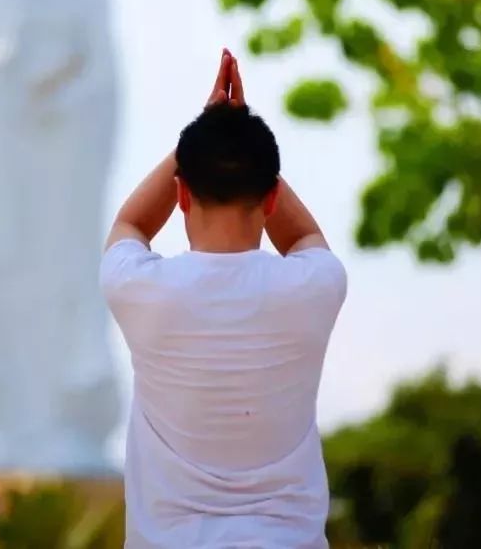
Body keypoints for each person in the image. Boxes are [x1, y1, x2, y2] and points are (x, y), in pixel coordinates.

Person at [100, 50, 347, 549]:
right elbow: (303, 237)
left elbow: (131, 225)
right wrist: (240, 148)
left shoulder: (141, 289)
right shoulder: (316, 285)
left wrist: (200, 139)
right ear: (271, 196)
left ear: (182, 194)